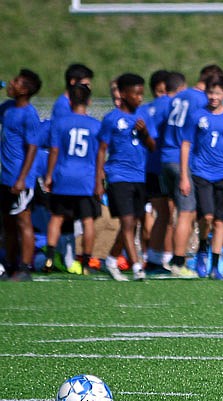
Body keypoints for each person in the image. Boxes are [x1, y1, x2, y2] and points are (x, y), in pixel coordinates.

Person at [180, 74, 223, 280]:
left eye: (217, 93)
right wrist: (184, 174)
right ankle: (202, 249)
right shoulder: (196, 116)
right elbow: (186, 144)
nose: (213, 97)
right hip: (201, 173)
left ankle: (216, 266)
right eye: (210, 92)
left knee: (220, 222)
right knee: (206, 217)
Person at [160, 65, 223, 278]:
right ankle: (178, 262)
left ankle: (157, 256)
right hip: (181, 159)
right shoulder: (201, 101)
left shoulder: (180, 96)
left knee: (168, 212)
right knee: (186, 213)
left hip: (165, 158)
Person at [95, 73, 156, 281]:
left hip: (139, 176)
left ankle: (111, 260)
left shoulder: (144, 117)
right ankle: (137, 266)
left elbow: (152, 146)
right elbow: (102, 149)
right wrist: (99, 180)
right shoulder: (112, 118)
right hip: (118, 175)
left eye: (141, 93)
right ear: (123, 94)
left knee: (134, 223)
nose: (139, 97)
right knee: (128, 222)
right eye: (135, 93)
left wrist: (145, 132)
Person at [42, 83, 101, 275]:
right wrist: (99, 180)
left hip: (64, 176)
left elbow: (54, 150)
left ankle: (50, 258)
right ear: (89, 101)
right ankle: (85, 263)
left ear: (70, 101)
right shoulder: (95, 125)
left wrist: (49, 175)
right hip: (86, 179)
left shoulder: (60, 123)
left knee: (57, 217)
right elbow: (99, 155)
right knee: (87, 221)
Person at [0, 69, 42, 282]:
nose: (10, 83)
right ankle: (9, 264)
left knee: (23, 221)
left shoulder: (29, 114)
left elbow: (33, 148)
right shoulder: (8, 108)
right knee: (7, 222)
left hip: (20, 179)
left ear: (24, 90)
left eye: (15, 82)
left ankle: (25, 267)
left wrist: (22, 179)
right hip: (5, 177)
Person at [141, 69, 172, 274]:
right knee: (166, 213)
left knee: (147, 215)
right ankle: (160, 258)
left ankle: (151, 256)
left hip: (143, 168)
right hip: (161, 165)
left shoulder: (143, 109)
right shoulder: (169, 105)